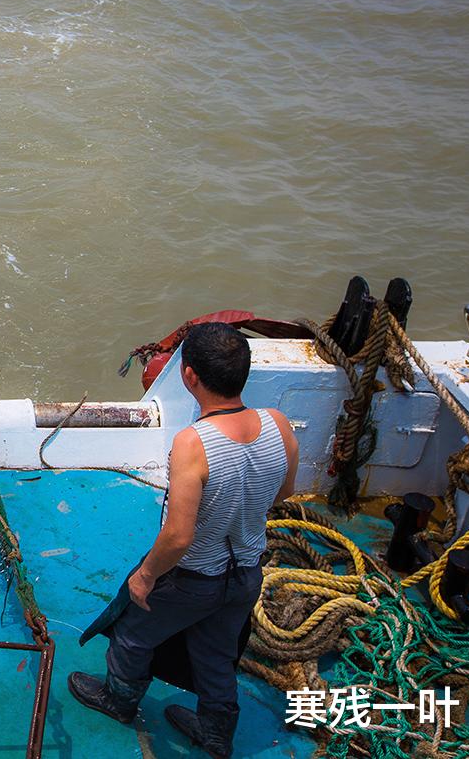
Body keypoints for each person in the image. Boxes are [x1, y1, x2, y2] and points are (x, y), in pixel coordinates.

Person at [69, 322, 299, 758]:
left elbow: (178, 536)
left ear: (189, 376)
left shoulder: (193, 442)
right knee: (216, 651)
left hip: (194, 577)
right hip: (247, 574)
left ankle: (118, 701)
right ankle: (215, 734)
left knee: (132, 635)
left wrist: (144, 576)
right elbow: (284, 492)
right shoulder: (279, 424)